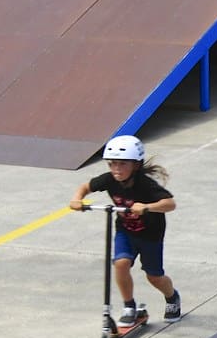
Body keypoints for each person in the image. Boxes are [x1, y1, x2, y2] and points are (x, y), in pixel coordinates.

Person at [69, 135, 182, 325]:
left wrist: (147, 207)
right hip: (125, 231)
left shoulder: (145, 185)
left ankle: (172, 297)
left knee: (154, 277)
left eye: (122, 164)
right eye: (112, 164)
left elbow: (170, 203)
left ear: (135, 165)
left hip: (150, 235)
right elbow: (85, 186)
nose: (116, 169)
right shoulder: (109, 180)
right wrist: (77, 199)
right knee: (121, 263)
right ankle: (129, 305)